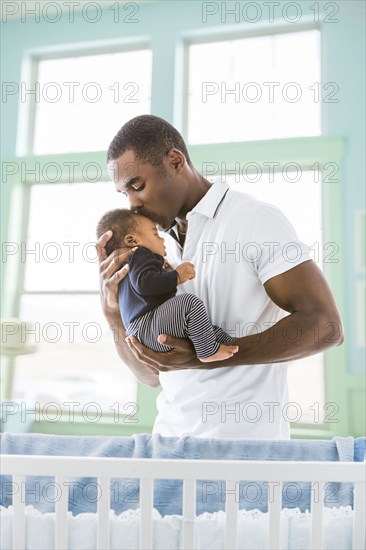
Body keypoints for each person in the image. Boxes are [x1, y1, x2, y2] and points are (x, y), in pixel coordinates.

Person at [96, 114, 344, 439]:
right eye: (123, 194)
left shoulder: (254, 220)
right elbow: (151, 375)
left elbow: (326, 327)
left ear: (174, 161)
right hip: (167, 445)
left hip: (246, 450)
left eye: (137, 186)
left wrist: (208, 357)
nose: (133, 204)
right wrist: (113, 312)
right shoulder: (148, 247)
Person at [96, 208, 239, 362]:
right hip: (147, 325)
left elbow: (146, 286)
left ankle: (226, 342)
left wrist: (162, 271)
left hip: (142, 330)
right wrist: (177, 276)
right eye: (156, 234)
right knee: (190, 304)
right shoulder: (139, 253)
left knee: (203, 326)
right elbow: (144, 285)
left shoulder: (129, 266)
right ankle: (208, 352)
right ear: (132, 241)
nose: (162, 240)